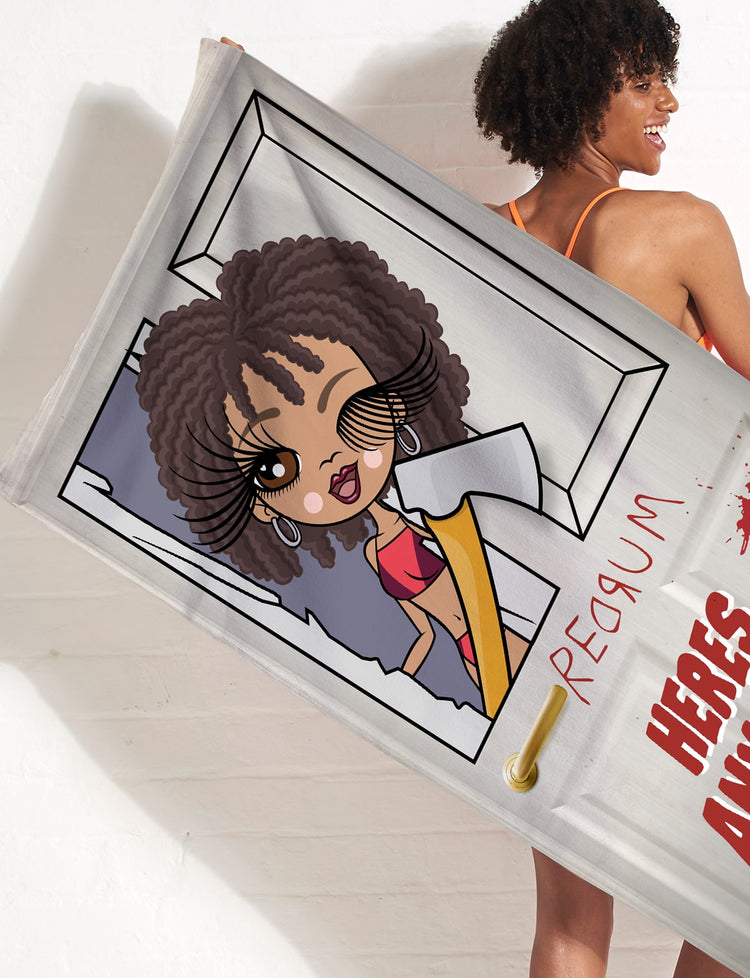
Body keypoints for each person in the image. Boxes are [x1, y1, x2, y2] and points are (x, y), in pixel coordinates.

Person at [474, 1, 750, 978]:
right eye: (643, 80)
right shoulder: (675, 226)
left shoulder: (475, 240)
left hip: (547, 615)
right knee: (733, 892)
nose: (668, 103)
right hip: (687, 592)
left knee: (570, 915)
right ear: (581, 95)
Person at [137, 234, 526, 691]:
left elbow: (481, 576)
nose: (331, 460)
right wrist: (393, 686)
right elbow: (425, 633)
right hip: (473, 660)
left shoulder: (433, 514)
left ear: (392, 400)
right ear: (261, 506)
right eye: (276, 467)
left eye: (350, 408)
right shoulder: (377, 554)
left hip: (504, 638)